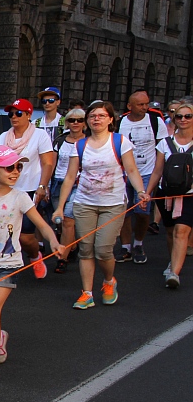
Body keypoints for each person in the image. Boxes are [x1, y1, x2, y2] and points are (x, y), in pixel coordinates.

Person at [0, 146, 64, 387]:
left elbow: (42, 225)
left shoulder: (20, 197)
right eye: (9, 167)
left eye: (19, 167)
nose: (16, 172)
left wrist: (53, 241)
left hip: (8, 264)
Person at [52, 101, 150, 309]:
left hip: (113, 203)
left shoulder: (120, 141)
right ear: (88, 120)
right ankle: (87, 293)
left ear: (110, 119)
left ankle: (108, 280)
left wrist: (141, 191)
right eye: (93, 116)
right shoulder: (80, 145)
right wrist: (60, 207)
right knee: (86, 249)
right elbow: (70, 177)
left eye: (102, 115)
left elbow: (132, 170)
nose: (96, 119)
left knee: (104, 249)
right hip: (84, 202)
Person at [0, 98, 55, 278]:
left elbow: (48, 163)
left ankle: (35, 256)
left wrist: (42, 186)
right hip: (7, 189)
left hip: (30, 189)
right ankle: (3, 266)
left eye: (18, 113)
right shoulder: (4, 137)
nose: (14, 117)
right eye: (11, 114)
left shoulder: (39, 135)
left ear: (28, 115)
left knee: (25, 236)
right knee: (5, 230)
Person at [117, 90, 168, 263]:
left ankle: (138, 243)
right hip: (123, 174)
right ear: (129, 106)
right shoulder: (121, 123)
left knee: (142, 212)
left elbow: (163, 147)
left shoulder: (156, 121)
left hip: (147, 172)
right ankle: (125, 247)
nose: (145, 107)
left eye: (146, 104)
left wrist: (160, 172)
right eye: (140, 104)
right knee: (124, 212)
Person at [147, 99, 193, 288]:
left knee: (182, 231)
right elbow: (157, 171)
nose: (183, 119)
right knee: (171, 231)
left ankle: (174, 273)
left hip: (189, 195)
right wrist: (147, 193)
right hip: (166, 193)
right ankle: (172, 262)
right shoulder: (165, 144)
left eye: (188, 116)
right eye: (179, 116)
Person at [48, 107, 86, 273]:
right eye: (72, 120)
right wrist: (46, 185)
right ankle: (72, 246)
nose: (75, 123)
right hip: (59, 182)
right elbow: (52, 164)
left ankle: (62, 258)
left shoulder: (88, 141)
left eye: (79, 120)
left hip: (79, 183)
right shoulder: (60, 141)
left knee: (68, 221)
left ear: (84, 123)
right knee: (60, 221)